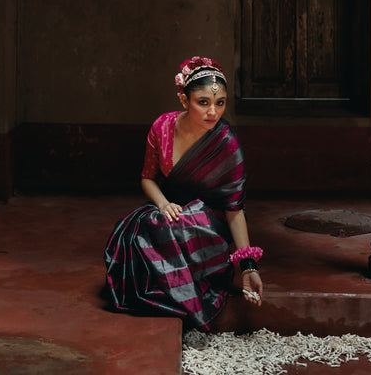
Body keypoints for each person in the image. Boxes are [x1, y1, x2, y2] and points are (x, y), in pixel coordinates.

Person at [104, 56, 263, 332]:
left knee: (182, 224)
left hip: (208, 223)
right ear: (184, 101)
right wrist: (164, 204)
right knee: (138, 229)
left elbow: (234, 210)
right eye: (203, 102)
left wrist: (248, 267)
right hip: (170, 210)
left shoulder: (227, 143)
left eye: (220, 103)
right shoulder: (162, 128)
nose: (213, 112)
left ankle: (188, 302)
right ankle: (165, 296)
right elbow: (147, 179)